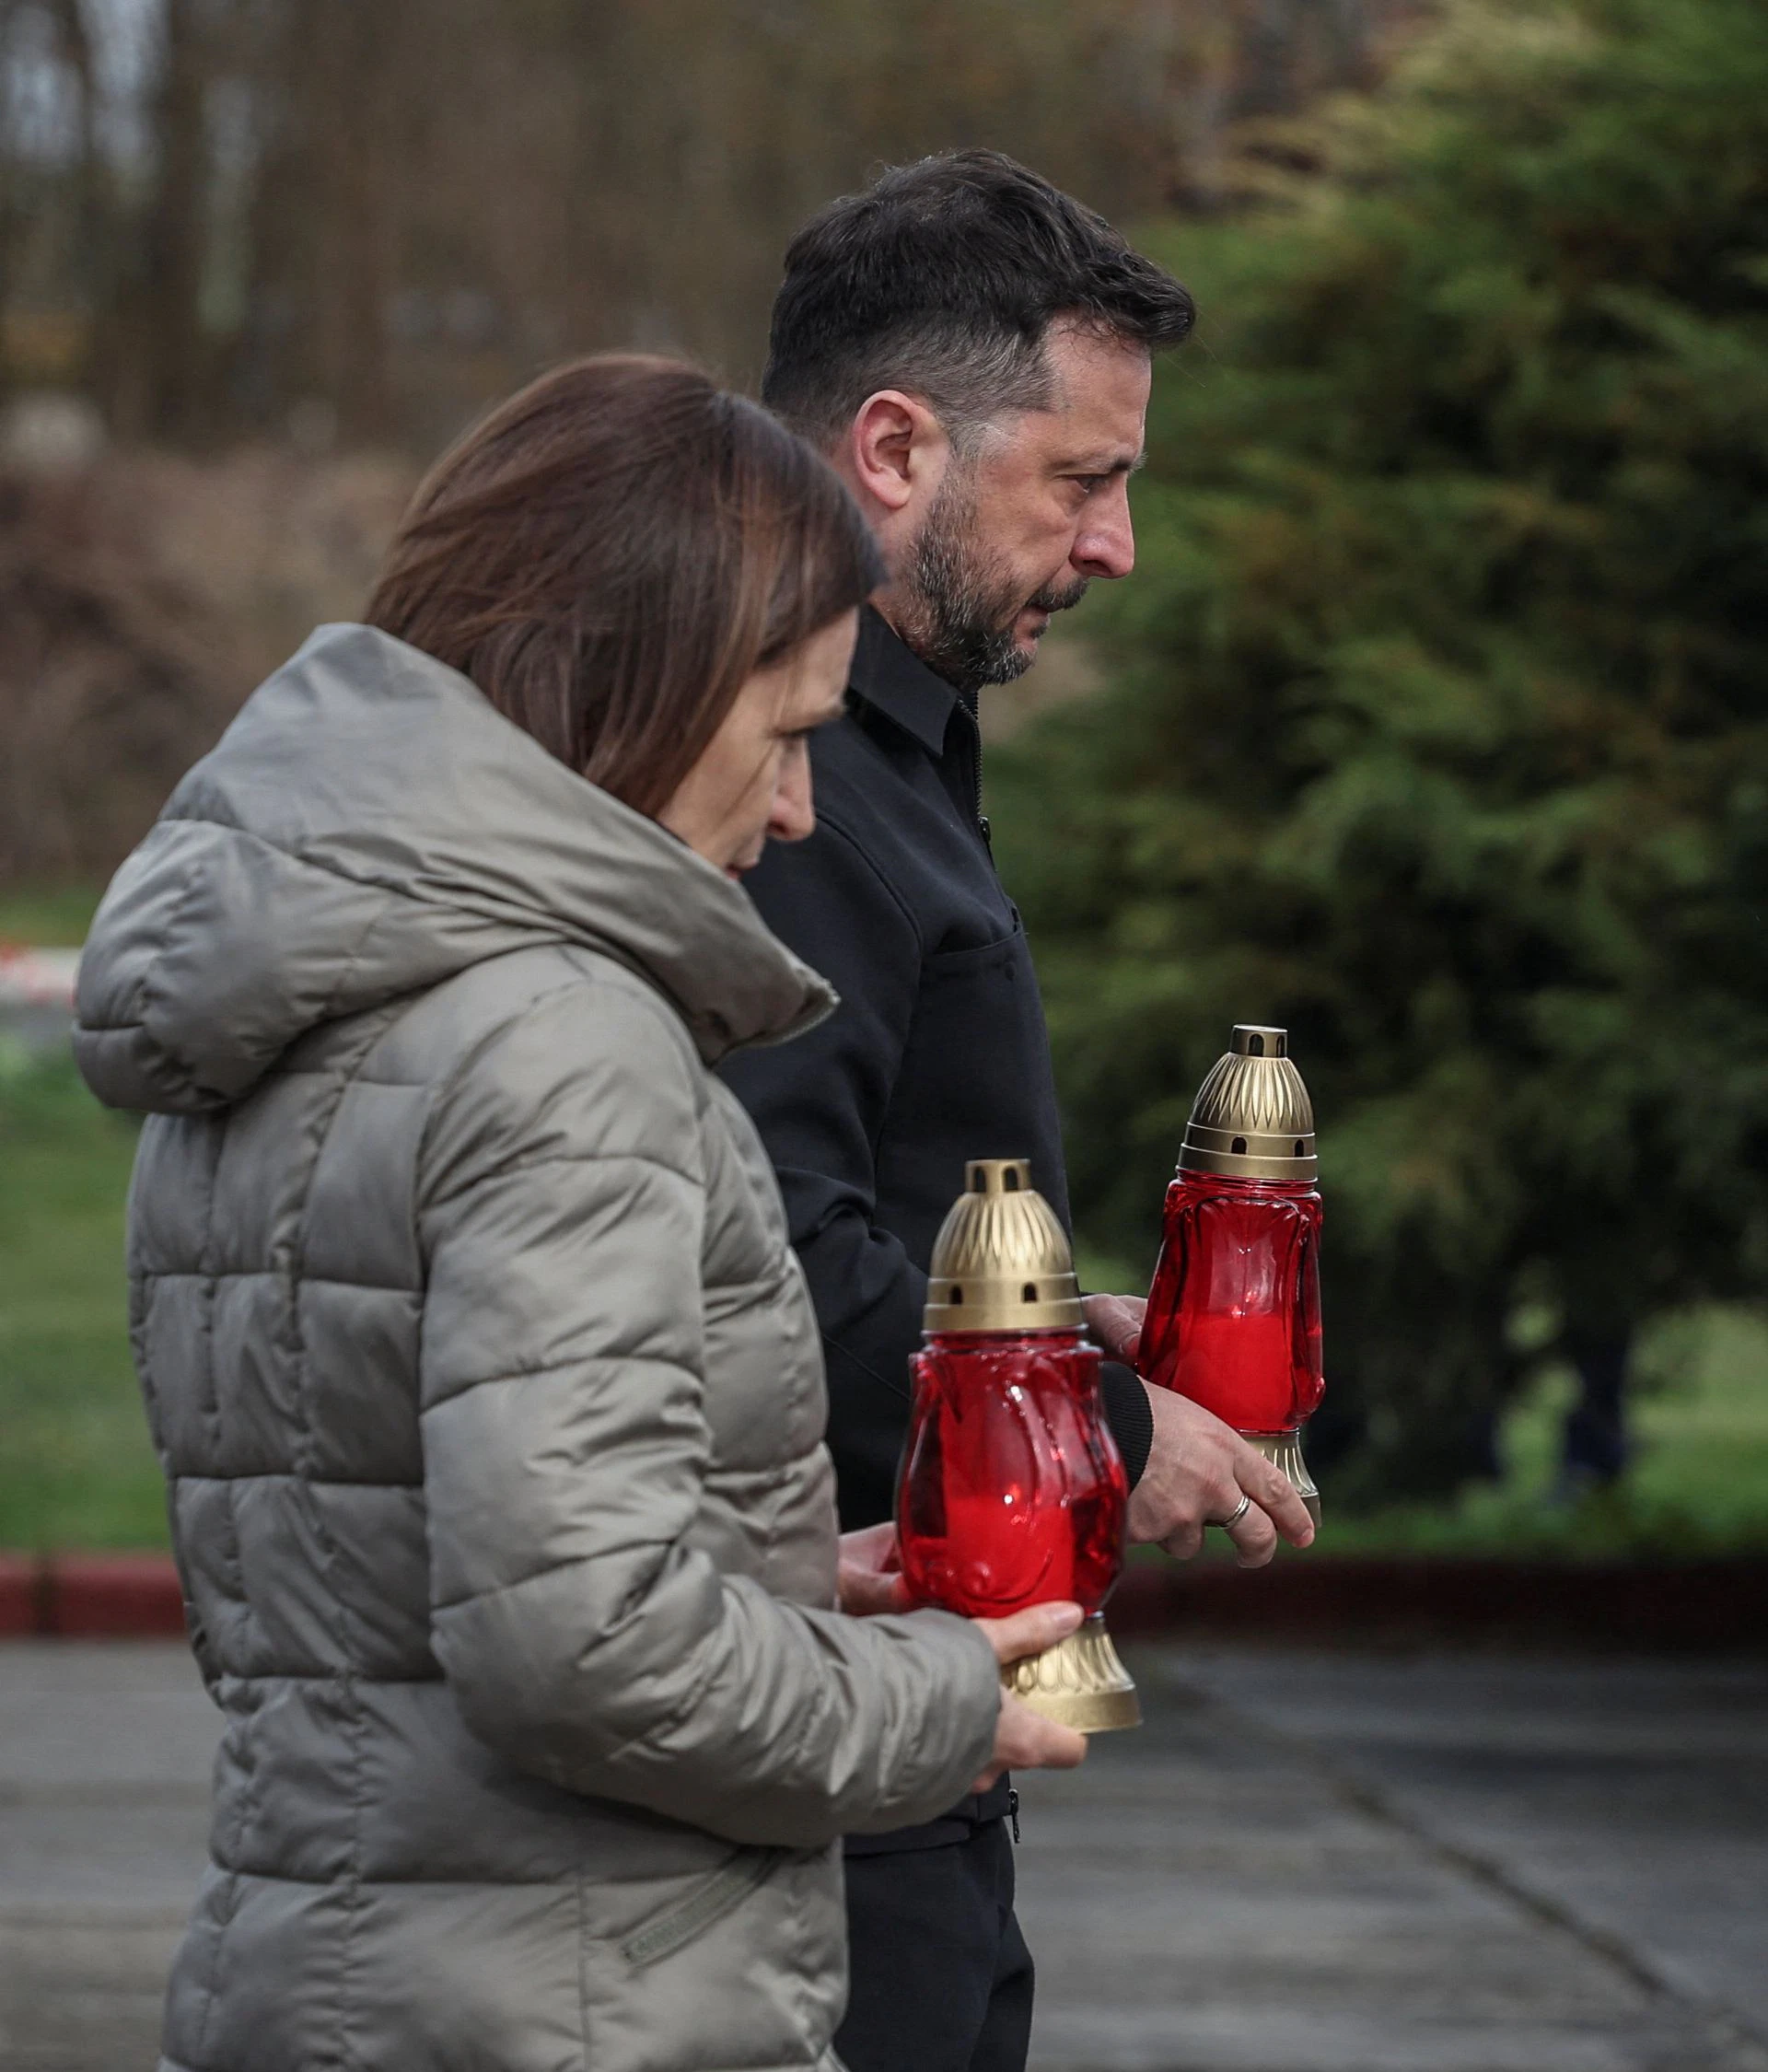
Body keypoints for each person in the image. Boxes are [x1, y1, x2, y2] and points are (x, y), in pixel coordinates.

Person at [73, 354, 1092, 2072]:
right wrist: (938, 1698)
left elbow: (397, 1557)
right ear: (643, 680)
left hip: (322, 1985)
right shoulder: (558, 1038)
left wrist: (771, 1581)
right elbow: (578, 1651)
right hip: (574, 2008)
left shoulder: (294, 1002)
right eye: (783, 738)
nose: (790, 812)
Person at [721, 149, 1318, 2072]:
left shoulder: (886, 751)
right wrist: (1097, 1420)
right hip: (814, 1759)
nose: (1119, 542)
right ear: (891, 448)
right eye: (1082, 478)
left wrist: (1056, 1338)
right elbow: (757, 1250)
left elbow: (866, 1198)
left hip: (896, 1727)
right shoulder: (784, 789)